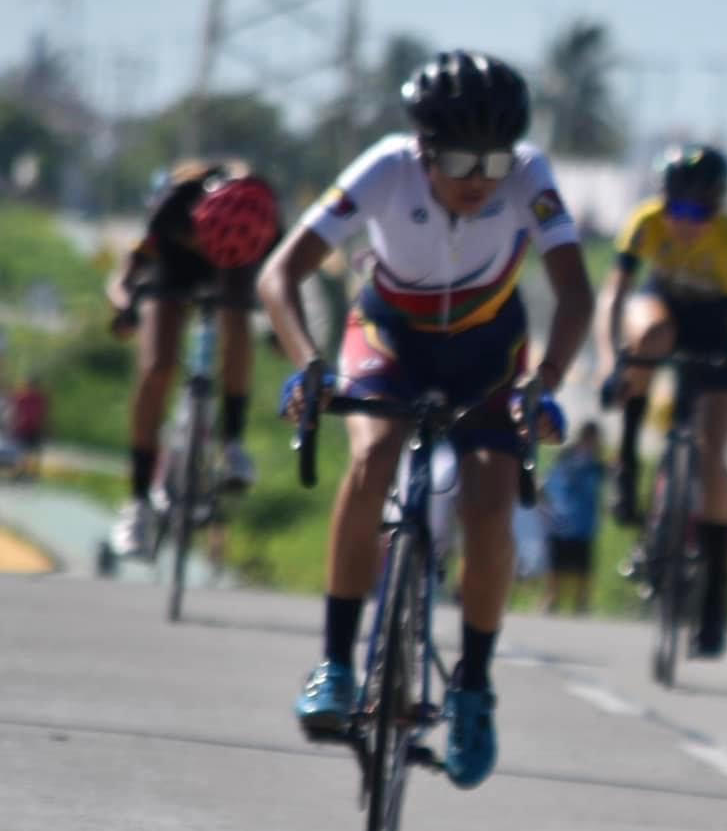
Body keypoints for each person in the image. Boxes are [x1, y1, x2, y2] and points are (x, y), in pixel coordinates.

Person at [261, 50, 593, 785]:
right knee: (373, 454)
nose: (480, 179)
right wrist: (308, 362)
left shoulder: (529, 174)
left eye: (494, 160)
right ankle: (336, 665)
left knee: (488, 500)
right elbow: (278, 272)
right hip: (389, 338)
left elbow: (575, 292)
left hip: (489, 352)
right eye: (461, 160)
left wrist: (546, 383)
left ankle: (473, 685)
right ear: (423, 150)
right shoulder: (385, 168)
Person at [598, 145, 727, 657]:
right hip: (662, 309)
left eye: (699, 211)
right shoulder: (646, 222)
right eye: (677, 209)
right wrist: (609, 359)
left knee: (713, 461)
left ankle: (712, 599)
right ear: (663, 201)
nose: (686, 222)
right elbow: (615, 294)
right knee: (650, 334)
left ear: (716, 208)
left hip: (715, 331)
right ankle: (625, 463)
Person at [104, 161, 280, 557]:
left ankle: (232, 442)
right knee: (158, 366)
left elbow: (285, 281)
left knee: (237, 319)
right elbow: (127, 274)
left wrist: (279, 329)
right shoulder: (173, 207)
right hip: (172, 274)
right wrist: (124, 304)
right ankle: (138, 502)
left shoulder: (263, 217)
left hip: (236, 272)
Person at [541, 421, 605, 615]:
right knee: (556, 564)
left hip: (583, 523)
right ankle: (551, 598)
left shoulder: (596, 465)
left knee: (583, 566)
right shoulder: (567, 458)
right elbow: (550, 484)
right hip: (562, 518)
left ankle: (582, 601)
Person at [10, 376, 47, 480]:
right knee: (24, 452)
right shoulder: (25, 396)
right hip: (25, 428)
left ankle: (29, 473)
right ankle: (23, 473)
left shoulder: (33, 397)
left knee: (31, 452)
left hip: (31, 428)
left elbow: (43, 414)